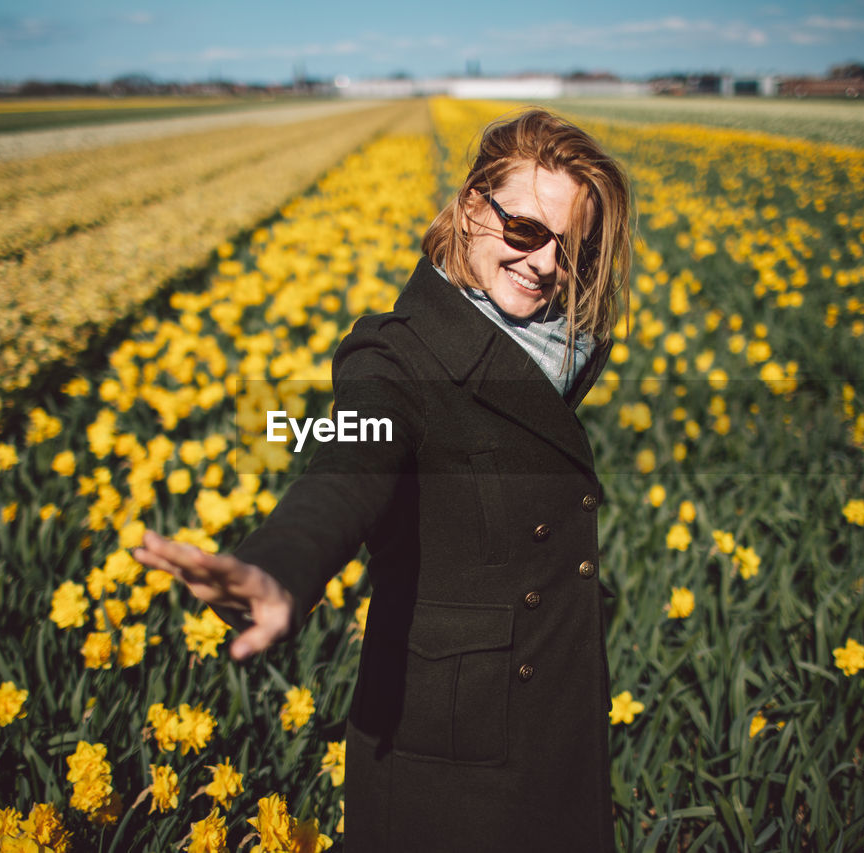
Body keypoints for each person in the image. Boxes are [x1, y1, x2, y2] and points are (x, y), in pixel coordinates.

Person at [134, 107, 632, 852]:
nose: (544, 265)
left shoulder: (557, 351)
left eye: (571, 250)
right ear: (471, 208)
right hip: (457, 765)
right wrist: (280, 567)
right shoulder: (395, 359)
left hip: (549, 723)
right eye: (524, 230)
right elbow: (346, 465)